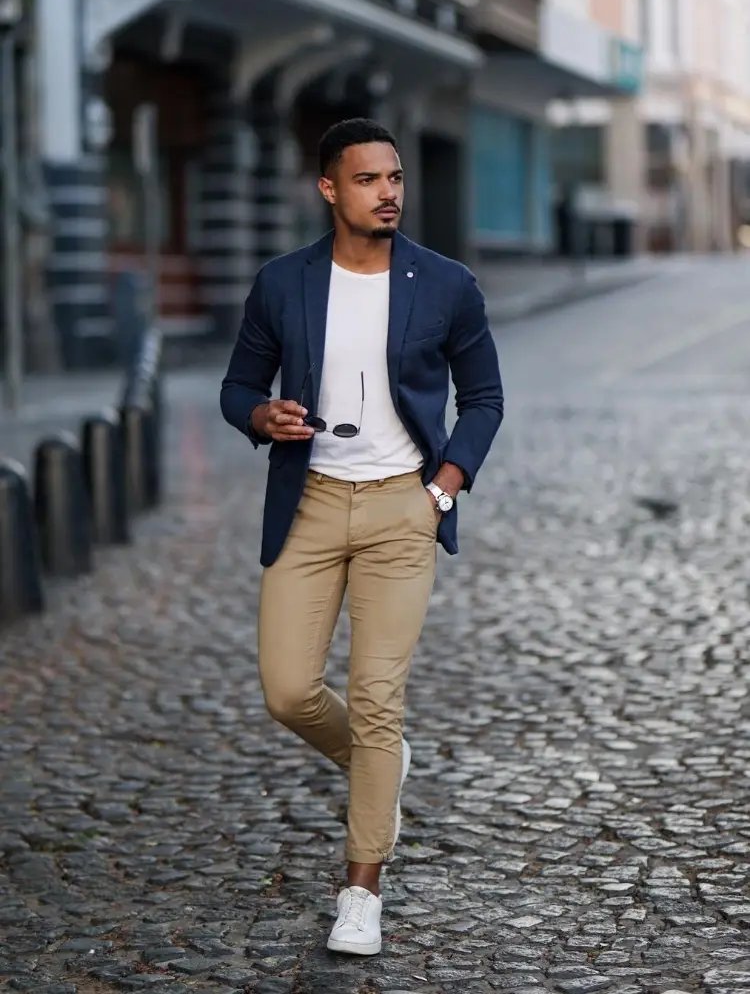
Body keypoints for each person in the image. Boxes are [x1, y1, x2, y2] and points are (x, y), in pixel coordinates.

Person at [220, 117, 503, 955]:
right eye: (370, 179)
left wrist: (444, 488)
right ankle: (383, 761)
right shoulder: (283, 283)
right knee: (287, 689)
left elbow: (483, 398)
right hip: (308, 504)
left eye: (397, 178)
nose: (389, 192)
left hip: (399, 511)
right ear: (330, 190)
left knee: (378, 699)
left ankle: (360, 889)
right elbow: (239, 383)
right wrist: (260, 416)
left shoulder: (446, 283)